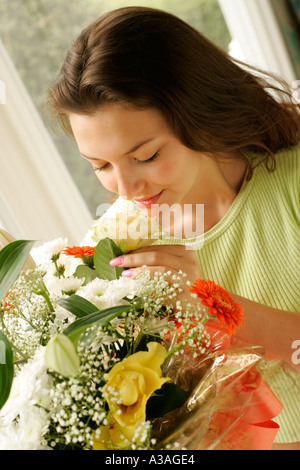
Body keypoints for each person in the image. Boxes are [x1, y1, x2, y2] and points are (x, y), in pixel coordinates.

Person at [47, 7, 300, 449]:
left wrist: (210, 303)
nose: (126, 188)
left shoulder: (291, 185)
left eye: (145, 156)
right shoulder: (113, 250)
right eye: (101, 166)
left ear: (198, 112)